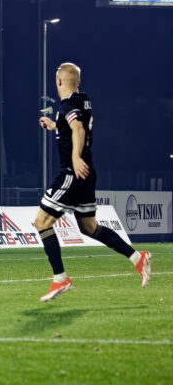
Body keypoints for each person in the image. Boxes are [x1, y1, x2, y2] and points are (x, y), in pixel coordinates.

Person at [35, 62, 151, 302]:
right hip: (87, 174)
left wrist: (75, 157)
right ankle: (137, 258)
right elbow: (74, 127)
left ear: (59, 82)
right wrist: (56, 126)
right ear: (77, 82)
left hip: (73, 172)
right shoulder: (83, 101)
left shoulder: (67, 104)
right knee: (89, 227)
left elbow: (78, 129)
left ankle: (60, 278)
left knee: (42, 222)